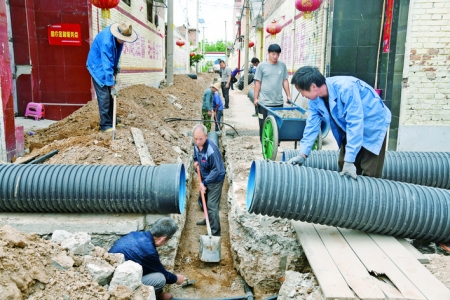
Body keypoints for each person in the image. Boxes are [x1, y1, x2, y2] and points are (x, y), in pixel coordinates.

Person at [288, 66, 392, 179]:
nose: (302, 95)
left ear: (313, 86)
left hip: (373, 125)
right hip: (349, 127)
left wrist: (350, 159)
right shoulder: (314, 101)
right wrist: (303, 154)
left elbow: (355, 123)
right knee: (344, 166)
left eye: (301, 91)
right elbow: (311, 126)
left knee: (370, 171)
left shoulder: (346, 88)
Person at [109, 217, 185, 300]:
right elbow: (163, 274)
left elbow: (149, 268)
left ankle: (160, 295)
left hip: (111, 275)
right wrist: (176, 278)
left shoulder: (135, 234)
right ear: (163, 238)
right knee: (160, 278)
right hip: (119, 288)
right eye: (167, 240)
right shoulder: (149, 251)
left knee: (149, 269)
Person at [86, 21, 138, 133]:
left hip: (106, 66)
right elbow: (106, 64)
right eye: (122, 38)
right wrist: (112, 86)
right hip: (97, 66)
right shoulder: (106, 42)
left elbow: (115, 56)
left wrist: (116, 66)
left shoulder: (119, 39)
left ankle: (113, 121)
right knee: (105, 96)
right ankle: (105, 125)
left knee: (111, 97)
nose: (123, 41)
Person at [253, 44, 292, 142]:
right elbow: (258, 83)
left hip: (278, 102)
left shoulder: (282, 65)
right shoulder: (261, 66)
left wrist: (289, 96)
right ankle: (264, 146)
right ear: (268, 53)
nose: (275, 56)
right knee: (263, 124)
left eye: (277, 54)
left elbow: (285, 81)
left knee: (277, 125)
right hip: (263, 103)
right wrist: (255, 98)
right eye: (273, 54)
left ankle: (274, 145)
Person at [193, 124, 226, 236]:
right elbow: (195, 154)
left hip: (216, 179)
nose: (198, 141)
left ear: (206, 136)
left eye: (200, 139)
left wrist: (205, 183)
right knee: (203, 200)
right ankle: (207, 219)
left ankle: (215, 233)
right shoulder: (196, 144)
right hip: (205, 175)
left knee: (212, 206)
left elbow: (216, 170)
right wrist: (195, 161)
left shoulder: (211, 150)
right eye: (196, 139)